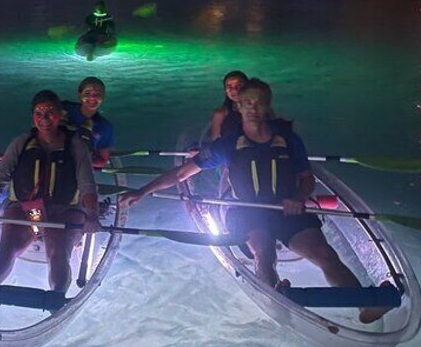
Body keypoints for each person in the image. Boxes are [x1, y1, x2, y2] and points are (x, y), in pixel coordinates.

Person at [118, 79, 390, 323]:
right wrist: (142, 191)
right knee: (264, 252)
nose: (253, 107)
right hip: (246, 211)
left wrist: (298, 196)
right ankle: (276, 301)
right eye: (247, 102)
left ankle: (365, 305)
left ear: (267, 107)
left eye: (259, 103)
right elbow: (181, 173)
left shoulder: (289, 139)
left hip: (287, 209)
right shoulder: (227, 145)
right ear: (239, 107)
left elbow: (307, 179)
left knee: (324, 254)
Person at [0, 91, 101, 303]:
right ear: (32, 116)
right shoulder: (22, 142)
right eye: (38, 113)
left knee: (58, 252)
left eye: (50, 113)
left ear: (59, 115)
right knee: (7, 246)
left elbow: (87, 184)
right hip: (25, 207)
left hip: (64, 210)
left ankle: (56, 298)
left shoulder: (76, 145)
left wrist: (92, 215)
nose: (44, 119)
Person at [61, 76, 115, 169]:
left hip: (79, 172)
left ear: (103, 96)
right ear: (79, 95)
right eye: (87, 93)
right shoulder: (64, 108)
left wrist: (79, 159)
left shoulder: (105, 127)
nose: (92, 97)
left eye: (97, 94)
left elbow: (102, 160)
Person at [209, 70, 248, 141]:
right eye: (229, 86)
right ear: (225, 90)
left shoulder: (262, 110)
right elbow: (214, 142)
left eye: (238, 85)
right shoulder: (220, 114)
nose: (234, 89)